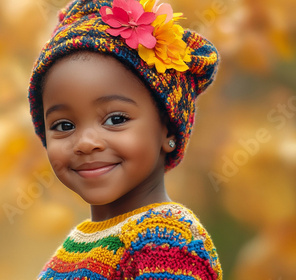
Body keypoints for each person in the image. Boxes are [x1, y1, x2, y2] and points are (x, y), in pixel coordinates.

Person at [28, 0, 222, 279]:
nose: (85, 142)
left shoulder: (166, 238)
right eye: (64, 125)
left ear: (168, 129)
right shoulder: (77, 244)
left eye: (116, 120)